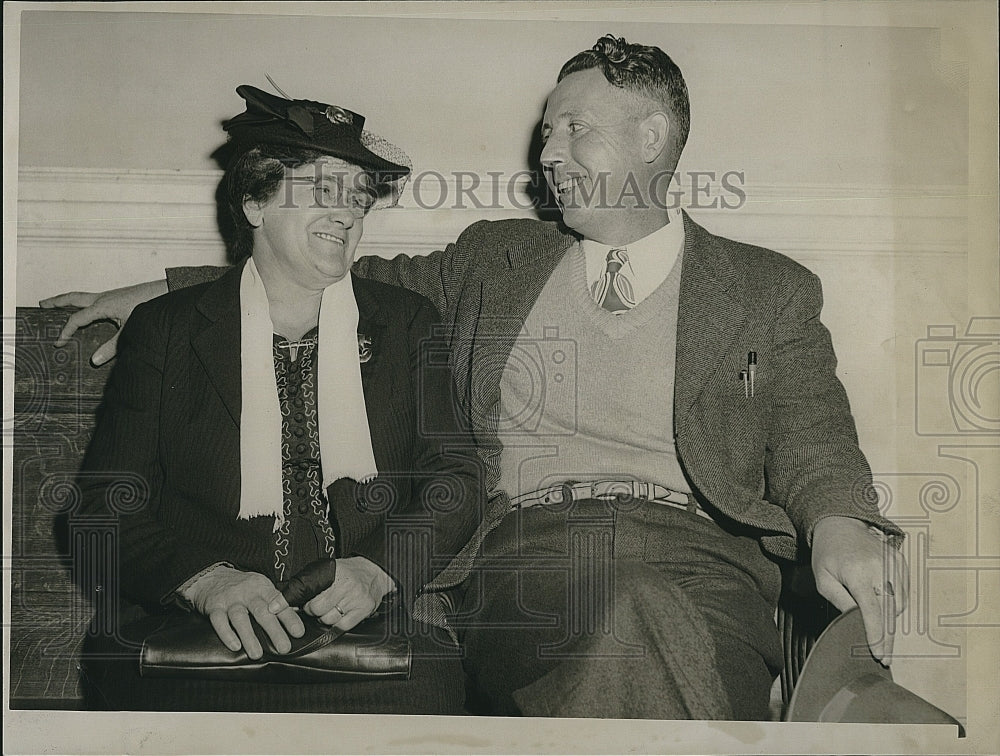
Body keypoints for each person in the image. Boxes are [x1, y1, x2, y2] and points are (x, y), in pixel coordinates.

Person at [46, 36, 907, 720]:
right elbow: (333, 266)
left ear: (651, 138)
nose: (548, 149)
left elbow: (811, 428)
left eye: (574, 127)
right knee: (630, 620)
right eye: (546, 129)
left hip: (699, 563)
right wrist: (159, 292)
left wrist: (839, 518)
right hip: (520, 562)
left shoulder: (766, 287)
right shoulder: (497, 257)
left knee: (650, 613)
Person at [71, 85, 483, 714]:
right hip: (196, 644)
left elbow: (455, 481)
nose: (348, 215)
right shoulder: (166, 329)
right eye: (324, 191)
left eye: (358, 199)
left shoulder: (406, 324)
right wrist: (205, 583)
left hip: (363, 643)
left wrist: (377, 571)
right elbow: (101, 507)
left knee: (430, 689)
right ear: (256, 202)